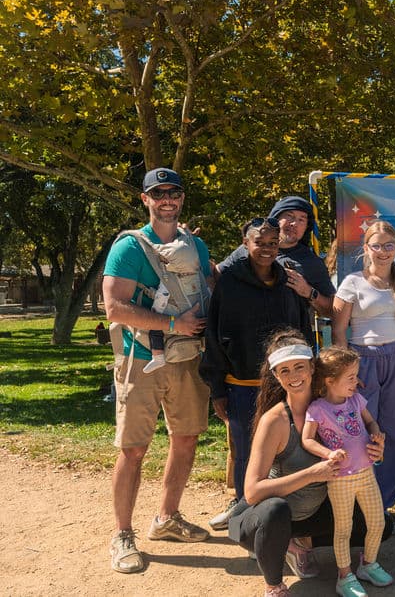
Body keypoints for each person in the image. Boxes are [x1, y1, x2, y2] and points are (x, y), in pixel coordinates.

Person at [102, 167, 213, 573]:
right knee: (133, 450)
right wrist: (172, 325)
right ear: (145, 199)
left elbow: (207, 286)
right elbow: (113, 307)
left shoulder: (196, 246)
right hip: (142, 360)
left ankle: (167, 519)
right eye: (159, 193)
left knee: (185, 439)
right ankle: (121, 535)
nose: (167, 199)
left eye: (174, 193)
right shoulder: (128, 248)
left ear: (182, 199)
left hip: (187, 360)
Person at [228, 331, 391, 597]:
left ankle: (301, 543)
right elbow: (253, 491)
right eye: (284, 371)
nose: (293, 376)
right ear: (276, 376)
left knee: (381, 524)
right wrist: (312, 474)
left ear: (312, 367)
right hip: (260, 518)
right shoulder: (276, 420)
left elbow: (359, 432)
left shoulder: (331, 404)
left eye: (299, 367)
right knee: (275, 512)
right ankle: (274, 583)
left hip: (309, 511)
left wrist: (375, 447)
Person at [203, 217, 314, 518]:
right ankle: (246, 516)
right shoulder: (229, 283)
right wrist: (217, 389)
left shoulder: (289, 281)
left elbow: (302, 331)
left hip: (286, 386)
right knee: (245, 453)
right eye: (259, 243)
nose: (266, 249)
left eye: (272, 243)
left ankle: (286, 517)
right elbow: (214, 336)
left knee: (287, 451)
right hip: (242, 386)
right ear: (245, 244)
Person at [331, 220, 395, 512]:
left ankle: (382, 503)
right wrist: (346, 373)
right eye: (377, 245)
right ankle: (357, 504)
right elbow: (338, 331)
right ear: (366, 248)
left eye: (389, 245)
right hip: (361, 360)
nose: (383, 251)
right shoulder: (351, 282)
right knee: (360, 431)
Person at [301, 347, 392, 597]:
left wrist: (376, 433)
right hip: (340, 478)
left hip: (366, 473)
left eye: (356, 375)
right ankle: (344, 576)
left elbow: (370, 421)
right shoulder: (317, 409)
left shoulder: (355, 400)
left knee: (377, 522)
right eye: (350, 377)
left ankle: (368, 564)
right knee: (343, 528)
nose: (356, 381)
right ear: (330, 381)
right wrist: (328, 454)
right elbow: (307, 440)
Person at [220, 196, 336, 318]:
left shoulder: (312, 263)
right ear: (276, 219)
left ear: (306, 227)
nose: (294, 223)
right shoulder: (248, 249)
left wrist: (309, 292)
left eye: (301, 220)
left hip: (290, 335)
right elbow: (217, 274)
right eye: (289, 216)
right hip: (244, 333)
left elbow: (332, 311)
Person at [142, 236, 209, 374]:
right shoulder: (198, 276)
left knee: (155, 329)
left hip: (175, 319)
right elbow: (207, 292)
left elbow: (161, 299)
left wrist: (156, 312)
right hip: (200, 318)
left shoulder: (169, 280)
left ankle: (158, 355)